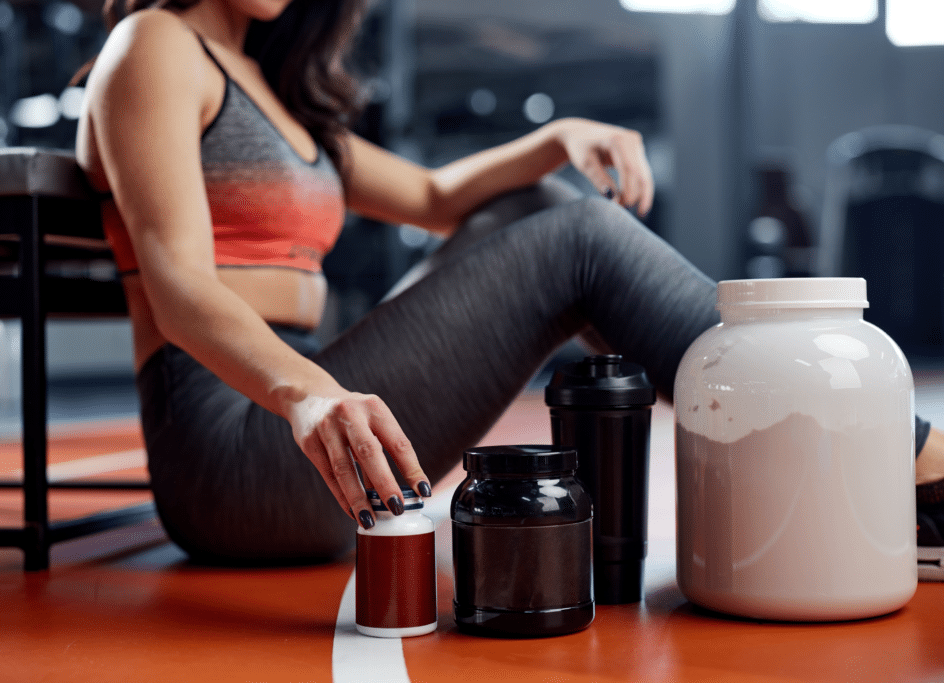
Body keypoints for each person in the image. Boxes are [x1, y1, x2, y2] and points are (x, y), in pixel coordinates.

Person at [74, 0, 944, 571]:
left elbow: (437, 196)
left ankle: (838, 471)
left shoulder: (272, 89)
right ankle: (902, 462)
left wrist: (558, 135)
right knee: (583, 237)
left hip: (309, 430)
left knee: (535, 203)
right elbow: (180, 285)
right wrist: (309, 397)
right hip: (233, 455)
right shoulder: (155, 45)